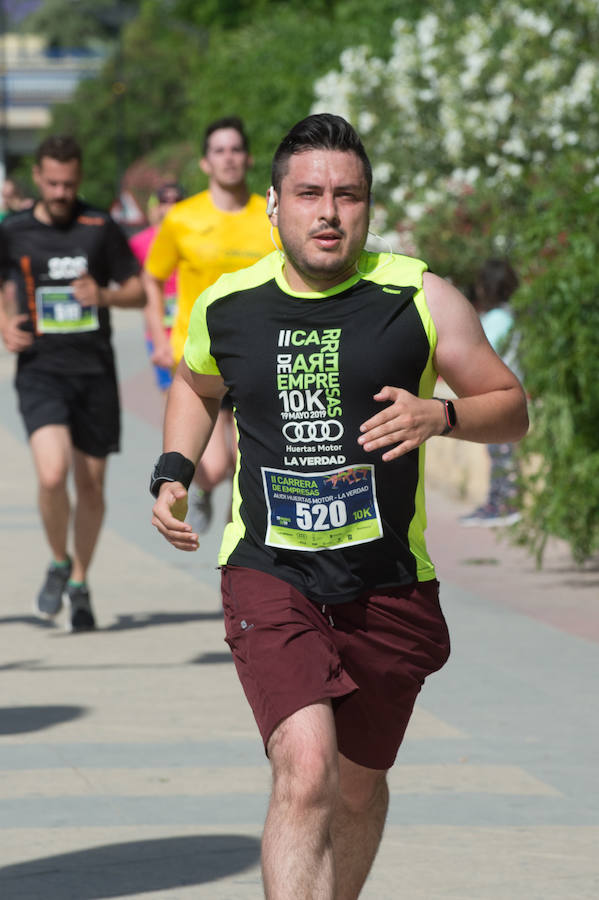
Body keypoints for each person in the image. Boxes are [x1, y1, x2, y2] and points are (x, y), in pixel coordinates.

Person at [150, 114, 528, 898]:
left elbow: (509, 405)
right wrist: (173, 469)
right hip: (270, 570)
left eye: (346, 195)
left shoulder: (416, 296)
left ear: (366, 205)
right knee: (306, 769)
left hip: (387, 583)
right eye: (310, 193)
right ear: (274, 205)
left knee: (355, 786)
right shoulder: (230, 305)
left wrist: (443, 417)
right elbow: (195, 383)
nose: (328, 211)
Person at [0, 135, 145, 632]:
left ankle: (79, 581)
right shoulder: (13, 230)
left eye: (70, 183)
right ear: (38, 178)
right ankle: (58, 561)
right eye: (53, 182)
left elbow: (136, 289)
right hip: (41, 370)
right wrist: (4, 320)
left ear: (79, 179)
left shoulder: (99, 227)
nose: (62, 192)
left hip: (95, 374)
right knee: (50, 473)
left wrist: (101, 295)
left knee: (91, 486)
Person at [143, 115, 275, 533]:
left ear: (249, 158)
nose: (229, 158)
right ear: (205, 162)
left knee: (250, 465)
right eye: (219, 150)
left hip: (262, 357)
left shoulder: (268, 215)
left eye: (236, 149)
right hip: (201, 356)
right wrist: (158, 337)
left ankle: (244, 555)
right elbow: (153, 276)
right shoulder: (181, 217)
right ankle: (201, 491)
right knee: (216, 466)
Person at [460, 258, 522, 526]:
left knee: (501, 452)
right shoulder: (508, 316)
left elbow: (482, 356)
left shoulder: (497, 320)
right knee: (499, 452)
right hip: (505, 395)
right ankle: (498, 501)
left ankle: (503, 505)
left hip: (498, 397)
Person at [129, 182, 185, 392]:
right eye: (164, 201)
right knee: (170, 392)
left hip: (193, 327)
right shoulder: (139, 242)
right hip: (160, 331)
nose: (171, 205)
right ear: (156, 207)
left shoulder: (199, 236)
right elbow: (137, 287)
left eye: (177, 200)